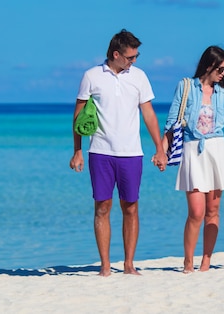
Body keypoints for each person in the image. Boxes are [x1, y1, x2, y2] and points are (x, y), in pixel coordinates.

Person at [69, 29, 167, 277]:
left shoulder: (140, 77)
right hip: (100, 152)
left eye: (136, 56)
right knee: (102, 206)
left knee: (131, 206)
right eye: (130, 56)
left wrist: (159, 148)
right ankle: (104, 266)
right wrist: (77, 151)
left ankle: (129, 264)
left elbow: (148, 114)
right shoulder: (91, 76)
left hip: (132, 153)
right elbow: (79, 116)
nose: (134, 61)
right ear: (116, 54)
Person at [162, 45, 224, 274]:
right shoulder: (186, 87)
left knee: (213, 211)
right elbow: (171, 123)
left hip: (217, 151)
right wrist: (162, 152)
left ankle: (206, 260)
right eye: (221, 68)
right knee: (196, 212)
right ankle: (188, 261)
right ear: (209, 65)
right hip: (192, 150)